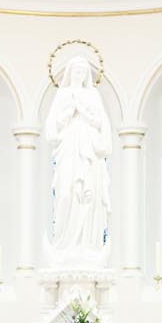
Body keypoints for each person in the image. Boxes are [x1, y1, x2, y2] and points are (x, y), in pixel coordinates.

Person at [46, 55, 112, 253]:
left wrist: (83, 112)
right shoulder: (62, 94)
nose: (80, 75)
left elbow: (102, 124)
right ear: (69, 73)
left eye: (84, 72)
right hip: (68, 148)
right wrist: (69, 112)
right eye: (76, 71)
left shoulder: (93, 96)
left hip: (89, 149)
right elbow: (52, 128)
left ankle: (88, 243)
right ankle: (64, 242)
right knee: (66, 193)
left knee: (88, 196)